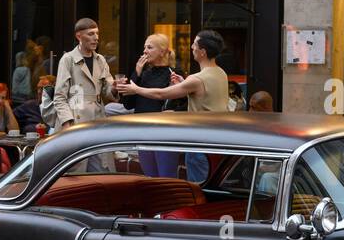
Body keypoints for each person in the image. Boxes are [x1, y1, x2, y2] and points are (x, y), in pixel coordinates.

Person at [115, 30, 228, 182]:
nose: (191, 48)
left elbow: (161, 94)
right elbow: (202, 96)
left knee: (188, 186)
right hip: (215, 140)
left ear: (202, 52)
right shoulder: (221, 73)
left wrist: (136, 89)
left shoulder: (196, 78)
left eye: (194, 44)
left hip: (197, 142)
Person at [120, 34, 180, 177]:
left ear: (162, 51)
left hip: (163, 133)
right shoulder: (143, 74)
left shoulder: (174, 74)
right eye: (144, 47)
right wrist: (137, 73)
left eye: (150, 47)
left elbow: (179, 105)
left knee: (166, 178)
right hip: (143, 131)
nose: (145, 51)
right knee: (150, 177)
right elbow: (128, 104)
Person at [52, 18, 118, 131]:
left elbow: (107, 91)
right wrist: (67, 122)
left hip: (97, 117)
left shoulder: (100, 59)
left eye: (97, 33)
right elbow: (59, 97)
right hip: (75, 118)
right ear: (79, 37)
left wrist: (115, 88)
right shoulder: (68, 59)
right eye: (91, 34)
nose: (96, 38)